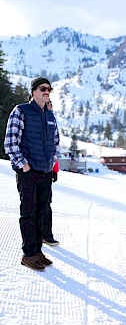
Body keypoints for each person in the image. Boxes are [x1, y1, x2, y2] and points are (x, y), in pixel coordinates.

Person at [4, 76, 60, 271]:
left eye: (49, 89)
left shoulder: (50, 116)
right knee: (28, 213)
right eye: (42, 88)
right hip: (29, 172)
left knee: (41, 213)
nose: (46, 91)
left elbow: (56, 143)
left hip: (45, 172)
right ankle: (28, 254)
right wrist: (23, 165)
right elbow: (10, 143)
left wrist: (52, 162)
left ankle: (38, 251)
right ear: (34, 91)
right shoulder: (21, 111)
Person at [41, 98, 60, 246]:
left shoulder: (51, 121)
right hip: (33, 169)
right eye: (48, 104)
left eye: (50, 105)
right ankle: (36, 235)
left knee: (47, 203)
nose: (49, 107)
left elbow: (54, 148)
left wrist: (55, 170)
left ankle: (47, 234)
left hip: (48, 170)